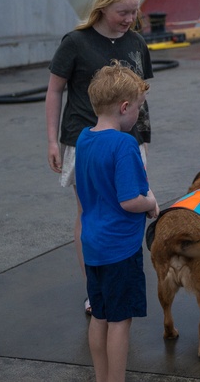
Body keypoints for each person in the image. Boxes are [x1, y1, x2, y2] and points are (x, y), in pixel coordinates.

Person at [46, 0, 154, 316]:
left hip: (128, 141)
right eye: (122, 12)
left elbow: (141, 96)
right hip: (85, 139)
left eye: (133, 13)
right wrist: (52, 140)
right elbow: (54, 91)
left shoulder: (136, 42)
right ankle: (95, 288)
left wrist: (143, 140)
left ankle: (118, 276)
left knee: (125, 207)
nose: (128, 20)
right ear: (102, 7)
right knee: (90, 212)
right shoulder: (76, 42)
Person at [76, 63, 158, 382]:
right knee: (120, 321)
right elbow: (129, 200)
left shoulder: (84, 139)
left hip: (93, 246)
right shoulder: (124, 144)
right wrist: (150, 204)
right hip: (120, 250)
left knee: (99, 315)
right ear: (125, 107)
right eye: (138, 107)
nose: (138, 114)